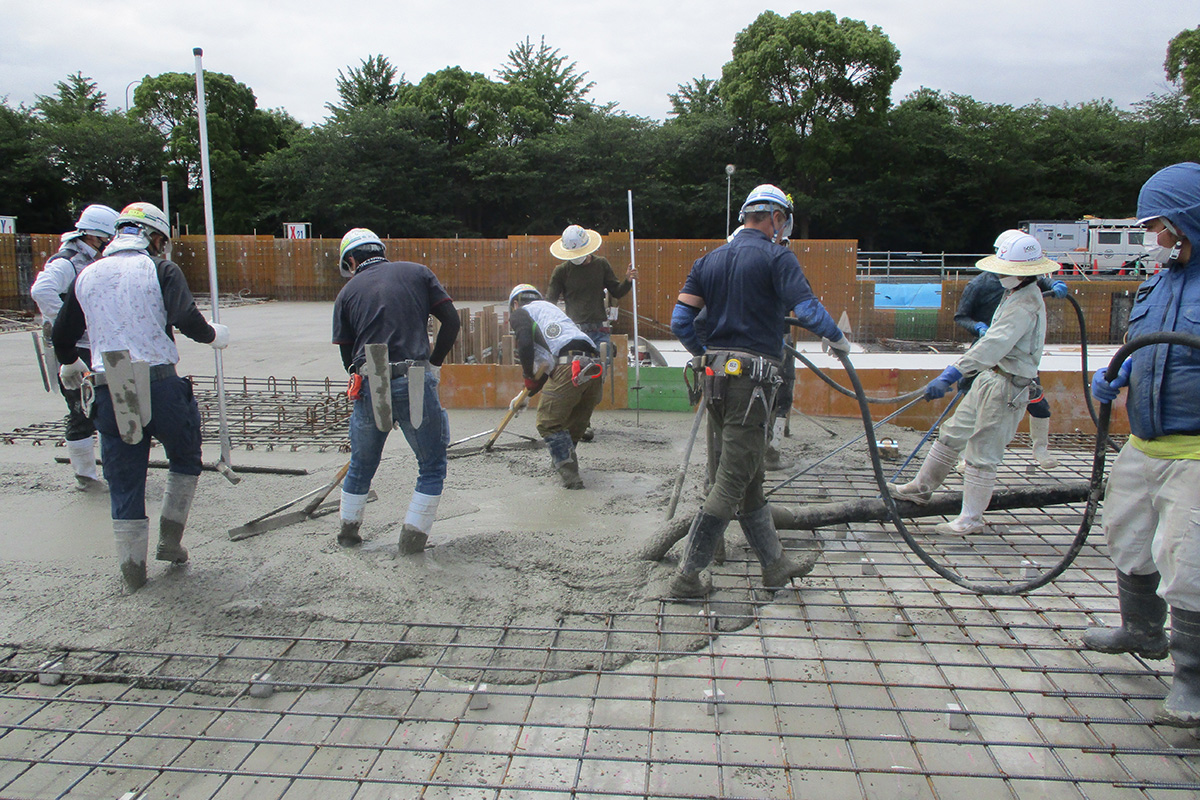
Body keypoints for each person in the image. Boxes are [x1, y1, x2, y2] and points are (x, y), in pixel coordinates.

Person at [668, 184, 850, 598]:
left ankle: (775, 564)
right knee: (731, 480)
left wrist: (708, 355)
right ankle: (686, 577)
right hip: (752, 383)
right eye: (783, 221)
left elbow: (682, 321)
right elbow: (805, 309)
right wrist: (836, 338)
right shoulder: (777, 255)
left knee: (748, 475)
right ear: (776, 218)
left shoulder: (708, 260)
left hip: (714, 380)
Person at [51, 202, 229, 593]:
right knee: (184, 456)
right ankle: (171, 540)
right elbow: (186, 319)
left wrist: (68, 363)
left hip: (109, 387)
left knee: (125, 477)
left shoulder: (88, 274)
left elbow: (62, 334)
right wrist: (215, 335)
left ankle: (132, 569)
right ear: (153, 236)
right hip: (161, 384)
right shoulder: (161, 269)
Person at [1084, 162, 1200, 728]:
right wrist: (1114, 379)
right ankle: (1141, 631)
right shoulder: (1157, 284)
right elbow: (1138, 346)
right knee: (1126, 534)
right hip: (1144, 443)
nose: (1155, 238)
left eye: (1161, 226)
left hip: (1196, 453)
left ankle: (1191, 678)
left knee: (1189, 559)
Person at [888, 233, 1059, 534]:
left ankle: (971, 518)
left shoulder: (1026, 303)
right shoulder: (1014, 292)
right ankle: (920, 488)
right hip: (990, 377)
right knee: (953, 432)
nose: (1000, 274)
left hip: (1008, 385)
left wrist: (954, 372)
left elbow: (994, 344)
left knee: (982, 451)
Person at [333, 228, 461, 554]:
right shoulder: (417, 272)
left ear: (351, 259)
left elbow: (348, 357)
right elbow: (451, 320)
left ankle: (348, 534)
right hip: (414, 377)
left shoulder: (347, 294)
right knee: (431, 466)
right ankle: (412, 542)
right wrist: (434, 363)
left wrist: (361, 379)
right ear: (380, 250)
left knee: (361, 465)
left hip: (370, 380)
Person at [954, 229, 1070, 470]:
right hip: (986, 352)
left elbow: (1039, 279)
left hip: (1017, 359)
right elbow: (961, 316)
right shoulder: (978, 285)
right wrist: (977, 327)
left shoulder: (1025, 282)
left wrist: (1056, 283)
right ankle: (965, 455)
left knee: (1038, 403)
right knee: (973, 405)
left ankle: (1041, 451)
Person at [30, 204, 119, 491]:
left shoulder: (94, 259)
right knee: (80, 411)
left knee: (107, 409)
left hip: (97, 345)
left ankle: (111, 471)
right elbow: (41, 291)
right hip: (74, 350)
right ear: (95, 236)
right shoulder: (66, 261)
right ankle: (86, 477)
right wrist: (68, 323)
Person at [508, 283, 604, 489]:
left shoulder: (520, 313)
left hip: (570, 367)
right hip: (593, 367)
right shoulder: (551, 312)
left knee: (548, 423)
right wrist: (525, 395)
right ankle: (561, 463)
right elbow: (549, 368)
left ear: (515, 303)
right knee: (571, 427)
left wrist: (527, 375)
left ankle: (570, 477)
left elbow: (525, 344)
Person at [546, 225, 636, 441]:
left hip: (599, 330)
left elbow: (617, 291)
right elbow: (549, 301)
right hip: (574, 333)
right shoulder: (562, 271)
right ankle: (580, 424)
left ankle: (582, 419)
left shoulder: (601, 265)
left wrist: (628, 281)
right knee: (576, 378)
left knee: (596, 379)